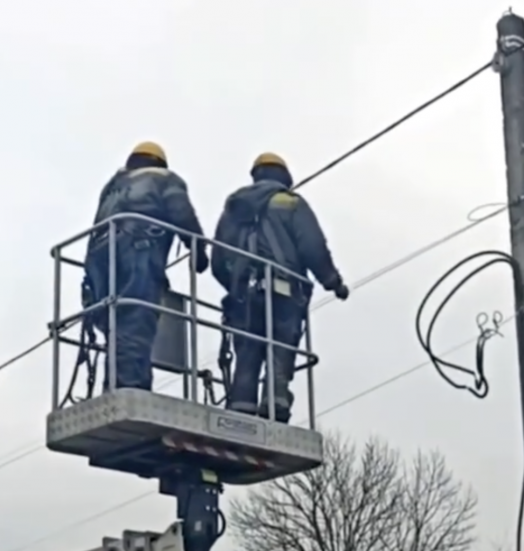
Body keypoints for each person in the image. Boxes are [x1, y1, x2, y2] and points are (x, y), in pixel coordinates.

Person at [211, 152, 348, 422]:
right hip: (283, 292)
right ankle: (276, 404)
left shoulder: (234, 209)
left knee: (248, 350)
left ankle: (241, 407)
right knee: (280, 345)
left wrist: (237, 286)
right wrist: (333, 282)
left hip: (244, 298)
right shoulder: (290, 203)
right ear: (284, 177)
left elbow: (218, 260)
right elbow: (313, 248)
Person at [84, 141, 209, 392]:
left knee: (115, 323)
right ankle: (130, 385)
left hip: (100, 258)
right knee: (136, 318)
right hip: (137, 252)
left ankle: (114, 384)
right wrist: (198, 249)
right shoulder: (165, 180)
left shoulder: (112, 187)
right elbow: (182, 215)